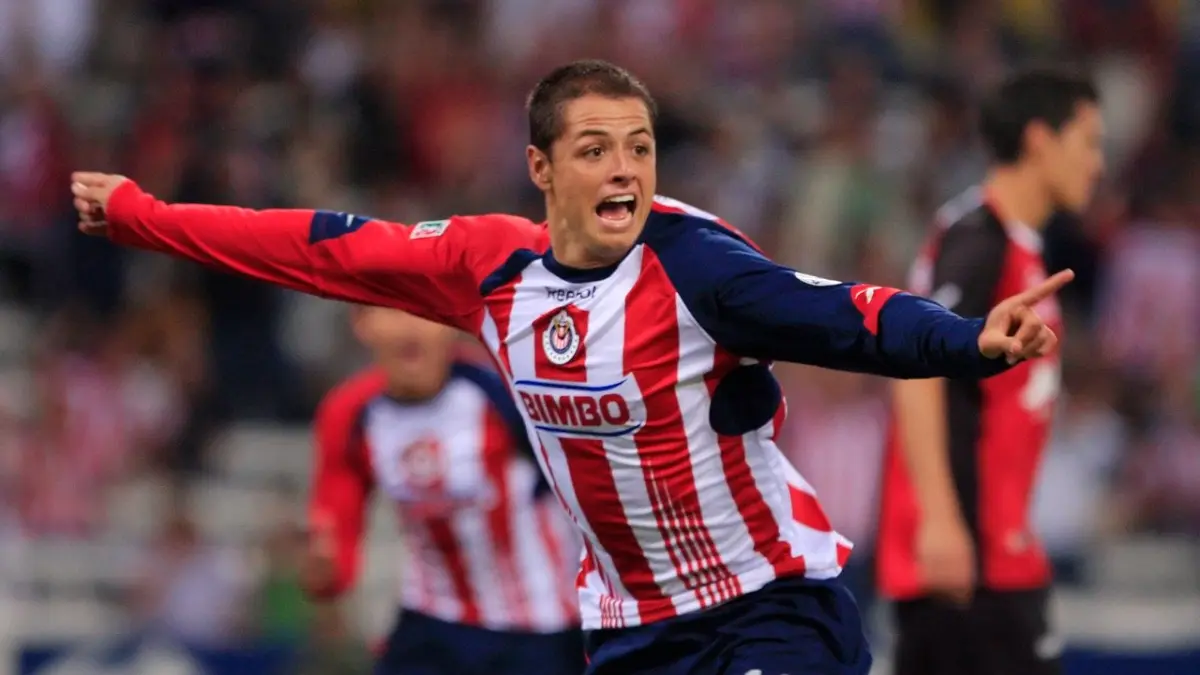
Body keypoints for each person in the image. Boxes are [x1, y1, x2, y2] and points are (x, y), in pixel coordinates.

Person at [71, 59, 1069, 675]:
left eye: (640, 148)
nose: (625, 169)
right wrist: (144, 218)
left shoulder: (697, 266)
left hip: (767, 607)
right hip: (632, 631)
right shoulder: (488, 268)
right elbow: (317, 246)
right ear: (541, 168)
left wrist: (969, 338)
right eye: (595, 150)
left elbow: (846, 314)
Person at [876, 67, 1105, 675]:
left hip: (999, 551)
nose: (1097, 164)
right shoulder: (982, 238)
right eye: (1088, 142)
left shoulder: (1014, 245)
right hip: (967, 558)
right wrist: (940, 520)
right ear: (1040, 140)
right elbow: (916, 365)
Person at [304, 306, 583, 675]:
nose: (411, 328)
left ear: (451, 321)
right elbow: (336, 530)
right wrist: (324, 569)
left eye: (422, 310)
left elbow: (585, 490)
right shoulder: (351, 412)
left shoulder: (504, 391)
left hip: (539, 629)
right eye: (392, 311)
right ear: (362, 324)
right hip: (431, 623)